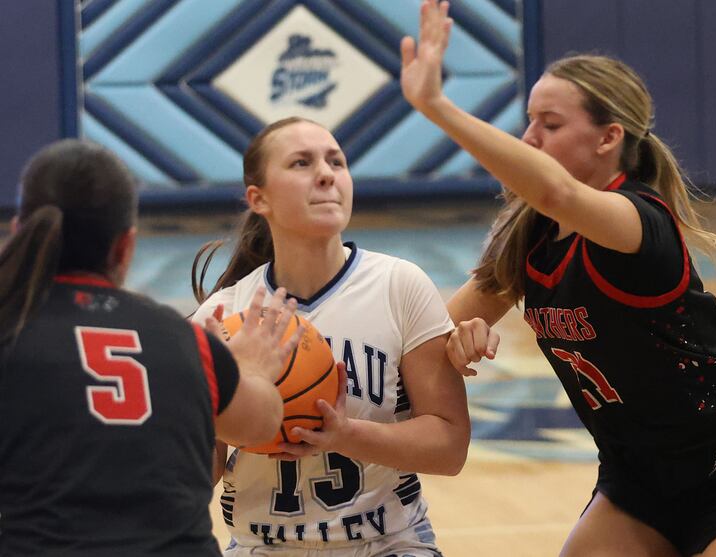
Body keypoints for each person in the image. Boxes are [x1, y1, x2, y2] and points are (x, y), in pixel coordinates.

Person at [399, 2, 716, 556]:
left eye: (551, 124)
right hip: (635, 484)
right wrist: (462, 338)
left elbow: (554, 191)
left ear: (609, 137)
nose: (531, 136)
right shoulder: (529, 238)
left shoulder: (639, 222)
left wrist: (437, 106)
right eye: (530, 120)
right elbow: (437, 332)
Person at [0, 139, 300, 557]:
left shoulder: (11, 329)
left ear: (20, 230)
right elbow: (261, 423)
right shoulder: (185, 340)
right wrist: (245, 367)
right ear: (126, 246)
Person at [191, 116, 470, 556]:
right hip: (262, 547)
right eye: (301, 163)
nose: (326, 174)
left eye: (336, 162)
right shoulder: (223, 317)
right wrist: (225, 406)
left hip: (387, 544)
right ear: (258, 198)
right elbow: (191, 476)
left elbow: (450, 448)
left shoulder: (401, 285)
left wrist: (345, 435)